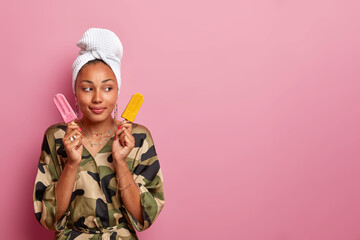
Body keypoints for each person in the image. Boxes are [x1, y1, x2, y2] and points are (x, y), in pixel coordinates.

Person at [33, 28, 165, 240]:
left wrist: (121, 161)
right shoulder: (57, 137)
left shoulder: (138, 138)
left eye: (107, 88)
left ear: (117, 91)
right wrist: (72, 163)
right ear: (75, 92)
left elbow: (143, 216)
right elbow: (49, 217)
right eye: (87, 88)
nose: (97, 98)